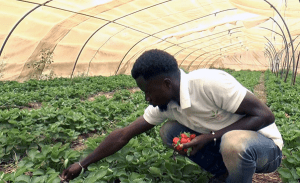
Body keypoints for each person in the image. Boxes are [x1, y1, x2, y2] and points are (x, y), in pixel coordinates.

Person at [61, 49, 283, 183]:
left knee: (233, 142)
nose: (147, 98)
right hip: (226, 146)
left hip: (265, 149)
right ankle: (224, 174)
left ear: (166, 84)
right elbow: (123, 135)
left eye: (148, 91)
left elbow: (265, 115)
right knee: (169, 132)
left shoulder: (210, 83)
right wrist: (82, 163)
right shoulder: (166, 104)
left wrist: (212, 136)